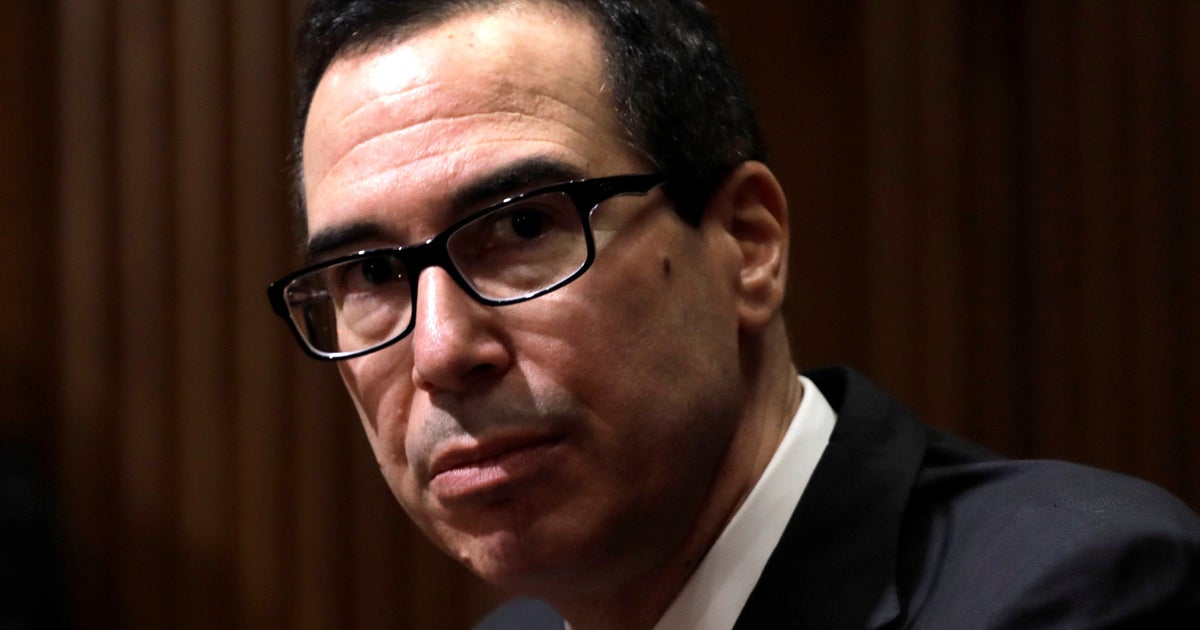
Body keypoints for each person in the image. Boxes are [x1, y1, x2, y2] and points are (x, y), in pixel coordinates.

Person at [268, 0, 1200, 627]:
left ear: (749, 243)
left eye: (521, 226)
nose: (440, 351)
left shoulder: (1076, 589)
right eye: (372, 272)